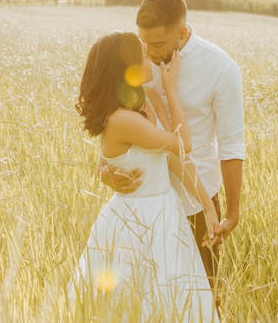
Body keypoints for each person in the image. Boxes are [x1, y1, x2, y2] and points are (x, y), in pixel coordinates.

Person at [99, 0, 245, 294]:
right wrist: (104, 169)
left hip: (195, 201)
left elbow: (231, 145)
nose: (149, 53)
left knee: (203, 295)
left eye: (157, 44)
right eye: (143, 42)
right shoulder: (137, 60)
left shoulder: (221, 69)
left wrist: (231, 211)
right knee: (140, 297)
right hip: (142, 203)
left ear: (183, 32)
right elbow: (115, 124)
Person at [68, 31, 220, 322]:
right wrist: (171, 91)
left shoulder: (143, 102)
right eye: (143, 55)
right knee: (132, 303)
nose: (150, 57)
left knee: (174, 300)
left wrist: (208, 205)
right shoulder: (123, 120)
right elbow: (183, 144)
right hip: (134, 222)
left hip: (165, 214)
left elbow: (174, 159)